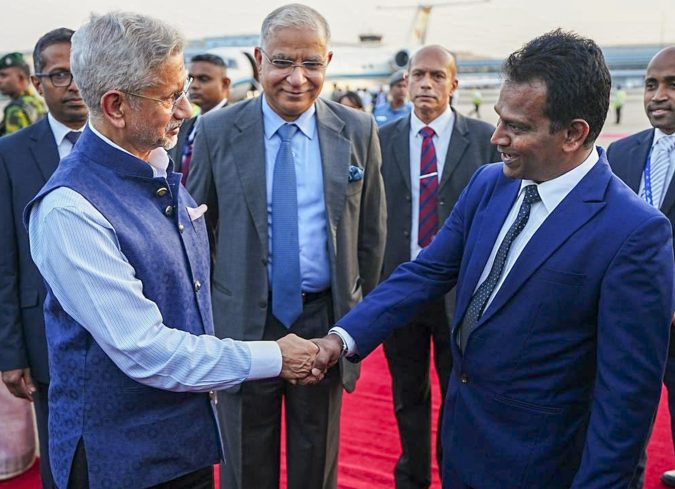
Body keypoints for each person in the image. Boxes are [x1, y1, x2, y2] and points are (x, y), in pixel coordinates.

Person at [309, 29, 675, 489]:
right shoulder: (489, 183)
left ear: (573, 134)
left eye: (517, 127)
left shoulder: (634, 232)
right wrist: (341, 339)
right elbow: (425, 273)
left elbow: (626, 402)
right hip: (463, 447)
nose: (498, 136)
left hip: (540, 467)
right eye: (500, 119)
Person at [25, 12, 319, 489]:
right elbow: (146, 350)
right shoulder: (69, 210)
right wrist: (274, 357)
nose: (186, 108)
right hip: (120, 464)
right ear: (116, 106)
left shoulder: (157, 167)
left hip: (185, 445)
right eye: (169, 97)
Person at [186, 4, 386, 488]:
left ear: (328, 62)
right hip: (244, 327)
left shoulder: (358, 130)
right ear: (260, 60)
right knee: (245, 463)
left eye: (311, 63)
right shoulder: (216, 130)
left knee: (316, 463)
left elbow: (371, 236)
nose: (297, 78)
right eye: (282, 62)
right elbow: (194, 234)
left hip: (324, 325)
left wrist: (352, 321)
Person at [377, 44, 498, 489]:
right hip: (403, 288)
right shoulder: (380, 139)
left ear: (454, 85)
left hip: (462, 292)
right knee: (407, 394)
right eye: (418, 75)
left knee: (458, 394)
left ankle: (454, 475)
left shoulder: (485, 139)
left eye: (437, 76)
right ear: (406, 81)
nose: (426, 84)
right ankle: (413, 475)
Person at [0, 28, 87, 489]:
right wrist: (11, 352)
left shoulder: (126, 143)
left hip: (123, 335)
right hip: (45, 338)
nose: (73, 85)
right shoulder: (10, 153)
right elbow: (5, 259)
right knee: (62, 465)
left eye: (81, 71)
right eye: (59, 75)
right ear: (37, 83)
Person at [608, 45, 675, 489]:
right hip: (624, 323)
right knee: (618, 438)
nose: (658, 95)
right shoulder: (620, 154)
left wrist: (662, 289)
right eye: (651, 85)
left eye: (674, 84)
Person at [169, 53, 230, 185]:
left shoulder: (235, 127)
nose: (194, 85)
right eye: (191, 78)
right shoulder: (184, 126)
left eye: (203, 79)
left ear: (225, 84)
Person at [0, 52, 46, 136]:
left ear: (20, 78)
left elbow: (13, 142)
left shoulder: (15, 109)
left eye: (4, 75)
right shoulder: (38, 103)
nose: (0, 80)